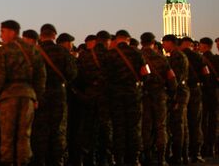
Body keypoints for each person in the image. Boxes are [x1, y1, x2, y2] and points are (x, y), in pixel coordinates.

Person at [0, 20, 46, 166]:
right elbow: (41, 76)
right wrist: (37, 97)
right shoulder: (32, 50)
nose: (0, 35)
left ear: (11, 32)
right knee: (24, 135)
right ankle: (23, 161)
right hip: (28, 95)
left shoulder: (5, 50)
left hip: (8, 96)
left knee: (7, 135)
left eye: (2, 31)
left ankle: (8, 162)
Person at [33, 24, 77, 166]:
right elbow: (72, 73)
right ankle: (58, 161)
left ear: (41, 36)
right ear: (54, 35)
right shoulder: (63, 51)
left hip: (40, 95)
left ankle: (40, 160)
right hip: (58, 94)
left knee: (40, 130)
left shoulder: (34, 52)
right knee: (58, 130)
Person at [106, 30, 149, 166]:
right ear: (128, 39)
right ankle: (134, 158)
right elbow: (146, 74)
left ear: (117, 39)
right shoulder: (137, 53)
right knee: (134, 127)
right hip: (133, 95)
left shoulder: (110, 54)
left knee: (118, 127)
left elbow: (105, 76)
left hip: (116, 95)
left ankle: (119, 158)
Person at [139, 32, 177, 166]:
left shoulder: (138, 56)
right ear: (153, 43)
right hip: (160, 95)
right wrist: (172, 94)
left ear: (141, 42)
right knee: (161, 126)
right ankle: (161, 158)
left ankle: (147, 156)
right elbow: (172, 79)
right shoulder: (161, 58)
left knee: (145, 127)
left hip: (144, 96)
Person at [75, 33, 112, 166]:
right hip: (106, 97)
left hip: (89, 96)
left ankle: (88, 158)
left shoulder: (84, 55)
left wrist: (83, 93)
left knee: (88, 128)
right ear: (107, 41)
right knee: (105, 128)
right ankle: (104, 158)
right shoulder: (111, 55)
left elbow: (76, 77)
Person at [161, 35, 189, 165]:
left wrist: (174, 96)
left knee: (178, 125)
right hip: (180, 92)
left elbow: (175, 79)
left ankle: (179, 156)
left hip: (178, 93)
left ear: (171, 43)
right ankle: (182, 155)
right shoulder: (176, 55)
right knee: (180, 125)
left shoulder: (177, 56)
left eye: (164, 43)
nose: (163, 46)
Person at [181, 36, 209, 163]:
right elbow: (206, 75)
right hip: (196, 91)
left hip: (182, 92)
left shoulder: (177, 56)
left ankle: (183, 152)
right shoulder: (199, 57)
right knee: (196, 122)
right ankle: (196, 152)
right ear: (190, 44)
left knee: (183, 122)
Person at [197, 37, 218, 158]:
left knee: (203, 120)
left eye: (200, 45)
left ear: (204, 46)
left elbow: (203, 76)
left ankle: (205, 147)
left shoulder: (201, 59)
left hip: (205, 93)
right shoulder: (216, 58)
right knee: (214, 120)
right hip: (215, 92)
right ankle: (213, 147)